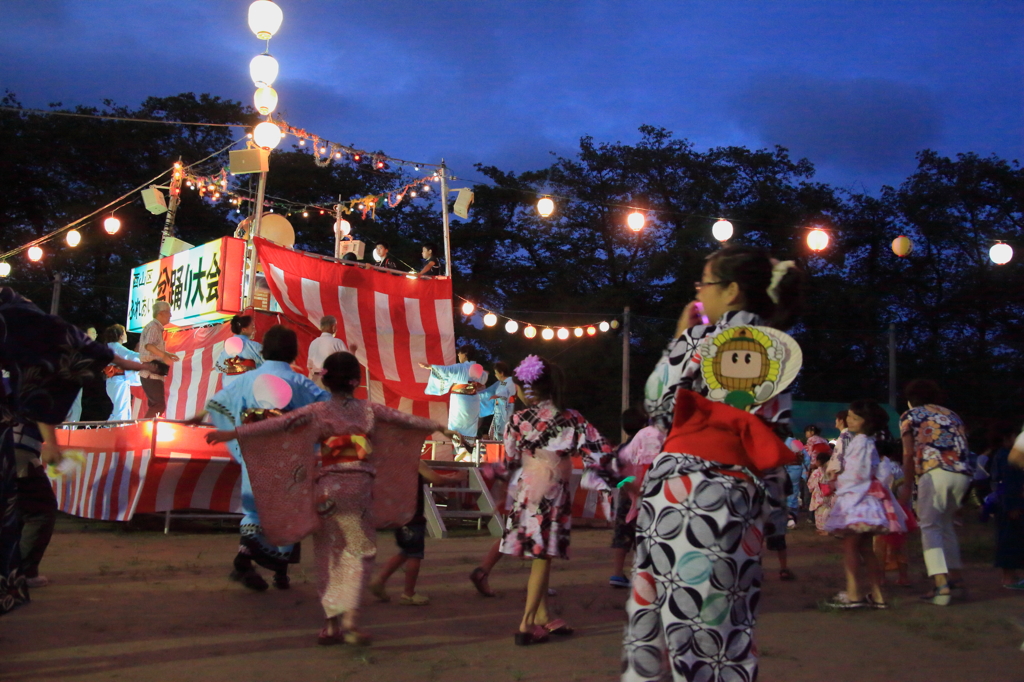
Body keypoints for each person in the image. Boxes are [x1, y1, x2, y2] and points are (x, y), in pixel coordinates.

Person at [625, 245, 803, 682]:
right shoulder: (777, 346)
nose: (699, 293)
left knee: (673, 625)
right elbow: (774, 426)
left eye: (704, 283)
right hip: (737, 492)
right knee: (722, 623)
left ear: (733, 290)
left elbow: (655, 403)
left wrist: (680, 335)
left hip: (686, 492)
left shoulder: (704, 339)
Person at [205, 351, 450, 645]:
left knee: (328, 557)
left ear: (327, 380)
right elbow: (405, 420)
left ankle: (331, 624)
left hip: (327, 491)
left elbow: (280, 424)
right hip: (358, 489)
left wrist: (233, 432)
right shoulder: (369, 411)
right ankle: (350, 620)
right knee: (359, 553)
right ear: (356, 381)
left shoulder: (318, 411)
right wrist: (436, 425)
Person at [0, 287, 150, 615]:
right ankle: (25, 571)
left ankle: (22, 570)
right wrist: (51, 446)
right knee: (38, 509)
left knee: (27, 510)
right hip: (16, 449)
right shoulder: (37, 346)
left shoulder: (22, 344)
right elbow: (42, 397)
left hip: (16, 446)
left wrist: (131, 363)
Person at [200, 325, 329, 592]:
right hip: (289, 458)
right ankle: (273, 570)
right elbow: (327, 412)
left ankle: (248, 558)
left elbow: (218, 405)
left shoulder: (246, 380)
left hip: (255, 455)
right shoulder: (300, 383)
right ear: (293, 351)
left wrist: (238, 443)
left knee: (255, 510)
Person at [499, 355, 612, 645]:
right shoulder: (571, 418)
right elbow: (599, 451)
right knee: (542, 556)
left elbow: (509, 459)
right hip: (552, 492)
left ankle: (543, 616)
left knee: (541, 555)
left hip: (525, 491)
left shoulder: (516, 419)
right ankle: (526, 623)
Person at [824, 400, 907, 609]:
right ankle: (877, 595)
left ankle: (853, 594)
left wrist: (838, 481)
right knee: (866, 549)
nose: (849, 420)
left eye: (854, 417)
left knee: (851, 547)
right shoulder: (868, 442)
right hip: (868, 501)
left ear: (865, 422)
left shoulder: (859, 442)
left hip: (857, 500)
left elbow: (856, 475)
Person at [898, 379, 972, 606]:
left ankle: (941, 585)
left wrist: (907, 484)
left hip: (933, 472)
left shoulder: (910, 415)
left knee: (929, 527)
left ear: (910, 399)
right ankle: (956, 580)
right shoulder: (953, 414)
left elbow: (908, 453)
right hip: (961, 473)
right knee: (946, 526)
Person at [369, 460, 463, 605]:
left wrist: (446, 477)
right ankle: (409, 593)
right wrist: (454, 479)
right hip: (413, 515)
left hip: (399, 513)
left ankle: (380, 580)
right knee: (415, 554)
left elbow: (418, 478)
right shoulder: (415, 460)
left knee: (406, 550)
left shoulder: (395, 461)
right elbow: (435, 480)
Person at [608, 407, 664, 589]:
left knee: (622, 533)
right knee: (647, 535)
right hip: (649, 496)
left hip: (626, 495)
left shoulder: (622, 448)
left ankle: (617, 573)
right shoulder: (653, 445)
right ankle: (644, 574)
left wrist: (628, 486)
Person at [13, 421, 58, 588]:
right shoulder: (32, 395)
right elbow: (42, 415)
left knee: (16, 510)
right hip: (18, 452)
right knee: (40, 512)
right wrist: (52, 444)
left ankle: (12, 569)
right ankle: (24, 572)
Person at [421, 345, 485, 456]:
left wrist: (431, 367)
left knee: (455, 426)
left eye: (459, 354)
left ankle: (461, 449)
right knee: (470, 426)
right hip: (474, 401)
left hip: (461, 400)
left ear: (465, 354)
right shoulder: (480, 369)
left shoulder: (461, 368)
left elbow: (446, 371)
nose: (458, 356)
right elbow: (483, 381)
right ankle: (469, 450)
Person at [987, 426, 1024, 589]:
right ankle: (1008, 578)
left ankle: (1012, 576)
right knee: (1009, 540)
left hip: (1008, 502)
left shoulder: (1002, 455)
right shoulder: (1005, 457)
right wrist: (1012, 505)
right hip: (1009, 503)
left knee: (1011, 539)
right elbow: (1008, 483)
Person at [137, 301, 180, 418]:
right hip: (151, 371)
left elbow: (150, 347)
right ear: (160, 313)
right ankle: (142, 429)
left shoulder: (154, 327)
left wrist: (166, 354)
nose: (170, 315)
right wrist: (164, 355)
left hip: (150, 370)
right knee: (158, 405)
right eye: (168, 312)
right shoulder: (154, 327)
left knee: (155, 404)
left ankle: (145, 430)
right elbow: (149, 346)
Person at [102, 324, 141, 421]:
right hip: (118, 380)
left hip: (113, 380)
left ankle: (113, 430)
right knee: (121, 409)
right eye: (124, 333)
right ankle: (115, 431)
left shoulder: (109, 347)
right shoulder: (115, 346)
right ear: (120, 335)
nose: (126, 335)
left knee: (120, 408)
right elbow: (130, 355)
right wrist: (149, 356)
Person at [214, 315, 264, 386]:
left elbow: (218, 368)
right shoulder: (254, 346)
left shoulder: (226, 349)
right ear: (244, 329)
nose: (254, 330)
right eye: (252, 327)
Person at [307, 315, 351, 389]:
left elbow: (309, 365)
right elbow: (348, 363)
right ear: (333, 327)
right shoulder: (337, 342)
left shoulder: (313, 343)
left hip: (315, 380)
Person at [477, 361, 516, 440]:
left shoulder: (510, 383)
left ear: (501, 373)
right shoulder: (502, 383)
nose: (495, 375)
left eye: (496, 373)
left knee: (503, 438)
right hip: (499, 414)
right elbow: (488, 393)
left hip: (506, 414)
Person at [807, 450, 834, 534]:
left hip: (819, 495)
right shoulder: (831, 471)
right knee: (829, 511)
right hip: (830, 494)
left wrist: (811, 489)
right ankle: (829, 528)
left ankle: (823, 529)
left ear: (818, 461)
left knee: (820, 513)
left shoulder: (816, 473)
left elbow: (810, 485)